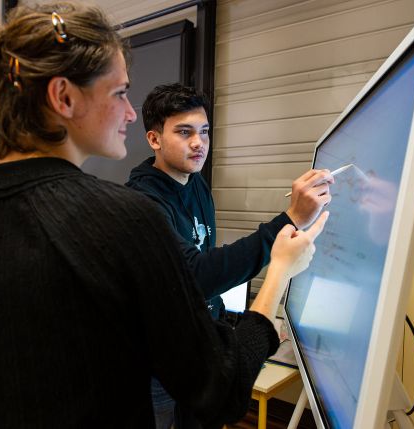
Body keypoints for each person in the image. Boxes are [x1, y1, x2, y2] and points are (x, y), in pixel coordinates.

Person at [0, 3, 329, 429]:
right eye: (120, 93)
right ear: (64, 97)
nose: (129, 112)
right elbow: (218, 389)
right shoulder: (125, 217)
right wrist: (278, 270)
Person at [126, 84, 333, 428]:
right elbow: (194, 275)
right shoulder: (142, 203)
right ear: (154, 139)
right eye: (184, 132)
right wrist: (289, 220)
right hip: (160, 367)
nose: (199, 142)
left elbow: (206, 258)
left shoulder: (195, 182)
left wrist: (226, 328)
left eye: (204, 131)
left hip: (199, 346)